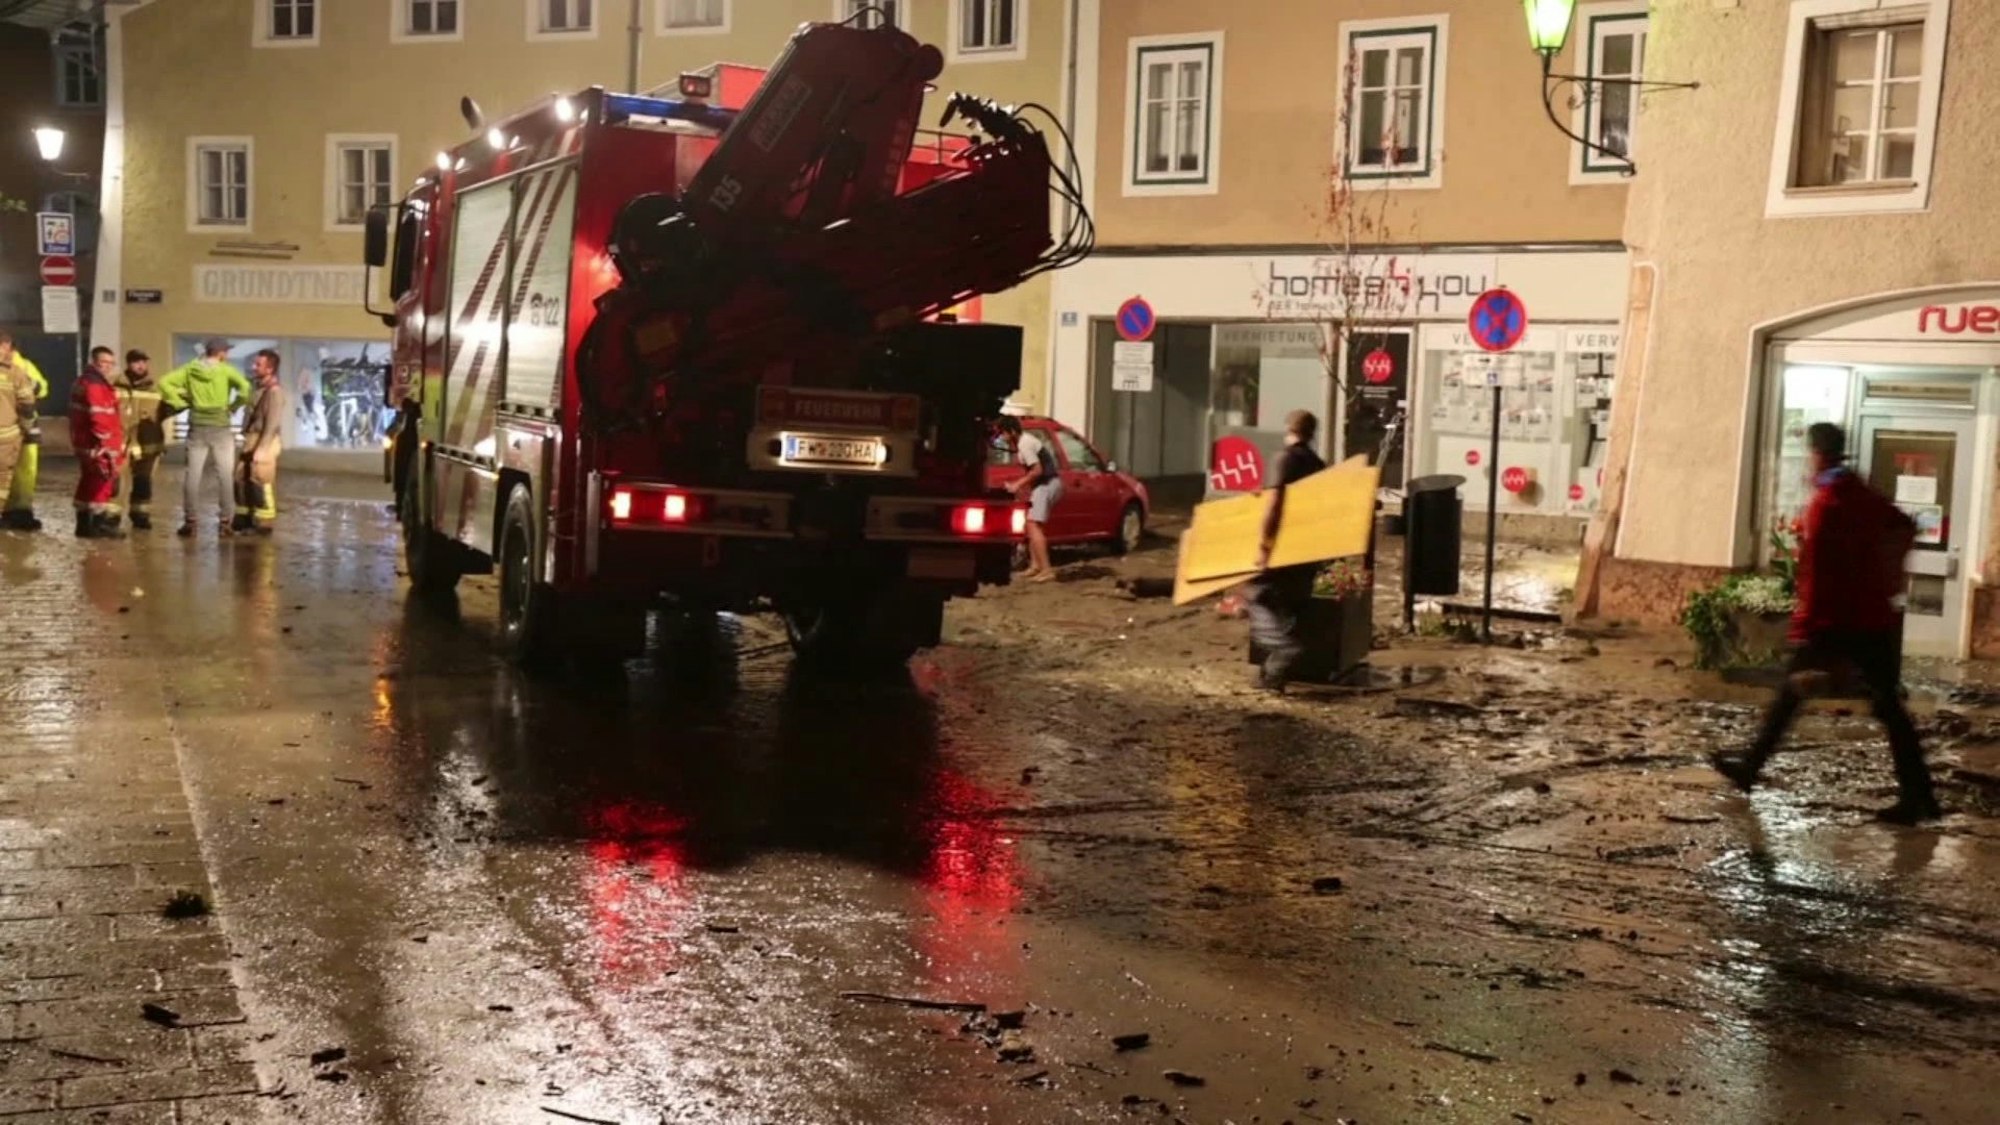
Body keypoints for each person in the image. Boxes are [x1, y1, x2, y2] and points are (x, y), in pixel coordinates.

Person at [1710, 422, 1941, 825]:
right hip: (1872, 618)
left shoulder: (1827, 503)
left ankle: (1750, 767)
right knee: (1888, 708)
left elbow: (1816, 574)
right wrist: (1888, 580)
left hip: (1835, 621)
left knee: (1791, 694)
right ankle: (1921, 797)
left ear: (1817, 453)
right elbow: (1903, 527)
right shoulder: (1861, 494)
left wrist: (1805, 625)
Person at [1247, 409, 1328, 693]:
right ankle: (1272, 679)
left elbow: (1275, 505)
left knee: (1259, 598)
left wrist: (1264, 546)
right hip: (1305, 553)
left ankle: (1282, 658)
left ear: (1288, 429)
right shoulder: (1318, 464)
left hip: (1282, 550)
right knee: (1289, 612)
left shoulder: (1285, 459)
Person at [159, 337, 251, 539]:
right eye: (226, 352)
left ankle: (190, 522)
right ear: (220, 353)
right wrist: (234, 407)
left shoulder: (190, 369)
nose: (227, 355)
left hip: (197, 428)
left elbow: (164, 382)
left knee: (192, 477)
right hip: (221, 428)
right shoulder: (226, 370)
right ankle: (225, 523)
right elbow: (245, 389)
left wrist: (178, 400)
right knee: (225, 477)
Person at [70, 346, 127, 539]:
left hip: (84, 441)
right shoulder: (96, 385)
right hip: (99, 444)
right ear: (94, 362)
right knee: (102, 482)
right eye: (104, 362)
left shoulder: (83, 381)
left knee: (88, 480)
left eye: (111, 363)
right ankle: (99, 525)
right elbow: (100, 417)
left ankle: (83, 524)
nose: (108, 367)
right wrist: (108, 445)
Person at [998, 416, 1063, 582]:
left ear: (1012, 432)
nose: (1002, 437)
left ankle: (1047, 570)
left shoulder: (1025, 444)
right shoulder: (1023, 443)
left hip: (1047, 484)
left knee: (1034, 525)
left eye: (1003, 433)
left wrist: (1017, 485)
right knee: (1030, 523)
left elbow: (1037, 470)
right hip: (1045, 485)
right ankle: (1035, 566)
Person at [233, 348, 287, 536]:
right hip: (251, 438)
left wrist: (262, 448)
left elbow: (272, 422)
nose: (253, 367)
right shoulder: (258, 388)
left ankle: (264, 521)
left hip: (265, 439)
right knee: (240, 477)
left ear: (270, 369)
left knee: (261, 479)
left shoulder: (274, 392)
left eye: (258, 364)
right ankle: (243, 517)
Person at [114, 349, 167, 531]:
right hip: (122, 444)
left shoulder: (157, 388)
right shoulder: (115, 386)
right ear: (128, 364)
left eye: (144, 362)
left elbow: (166, 410)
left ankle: (140, 515)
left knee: (143, 482)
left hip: (148, 445)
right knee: (117, 482)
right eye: (136, 362)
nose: (141, 365)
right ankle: (112, 517)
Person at [0, 332, 47, 531]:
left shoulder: (24, 367)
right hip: (13, 427)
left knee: (24, 470)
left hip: (23, 427)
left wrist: (26, 384)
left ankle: (20, 510)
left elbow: (42, 389)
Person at [0, 344, 35, 521]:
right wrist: (25, 427)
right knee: (3, 478)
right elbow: (27, 405)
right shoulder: (16, 371)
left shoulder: (19, 369)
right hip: (7, 436)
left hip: (7, 435)